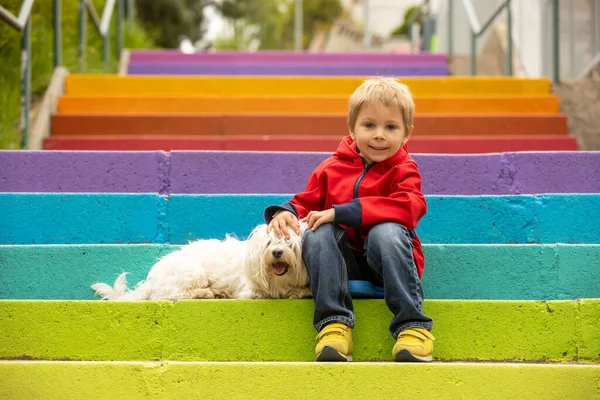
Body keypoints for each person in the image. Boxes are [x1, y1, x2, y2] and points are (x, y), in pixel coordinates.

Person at [264, 77, 434, 362]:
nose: (379, 135)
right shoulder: (332, 167)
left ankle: (412, 326)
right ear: (352, 128)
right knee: (317, 230)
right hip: (341, 269)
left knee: (387, 230)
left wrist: (342, 211)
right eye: (369, 125)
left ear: (407, 134)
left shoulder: (405, 169)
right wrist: (285, 211)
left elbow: (410, 206)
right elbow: (307, 202)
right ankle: (334, 325)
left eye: (390, 127)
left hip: (387, 265)